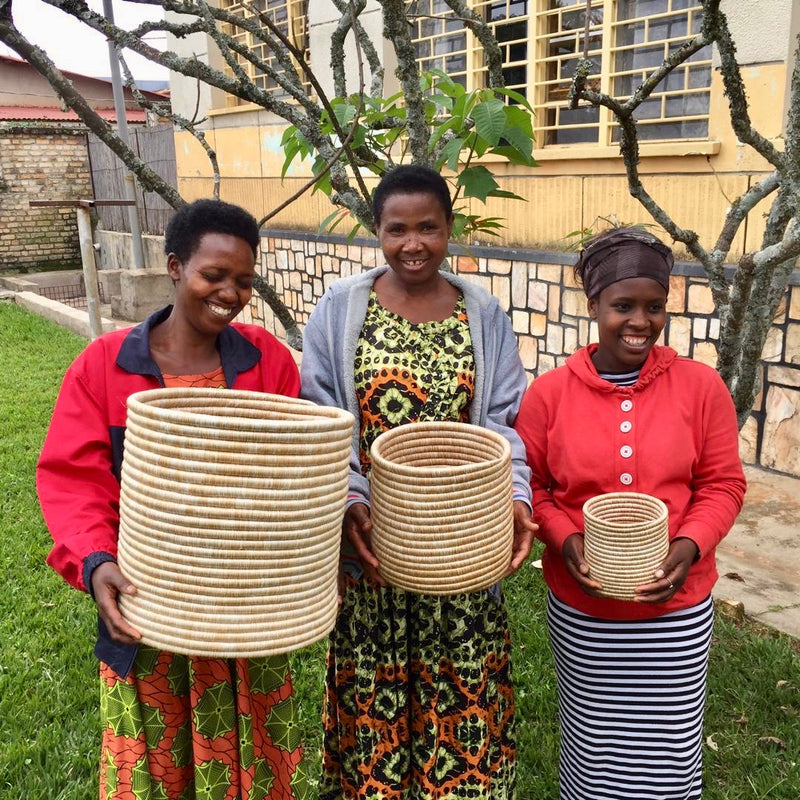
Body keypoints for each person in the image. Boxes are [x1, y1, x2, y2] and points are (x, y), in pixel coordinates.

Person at [37, 199, 309, 800]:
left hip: (245, 614)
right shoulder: (104, 367)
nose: (231, 293)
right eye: (214, 275)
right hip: (148, 611)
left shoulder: (267, 364)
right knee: (157, 769)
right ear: (175, 266)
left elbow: (292, 475)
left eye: (244, 280)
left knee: (249, 764)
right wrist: (95, 561)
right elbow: (74, 481)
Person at [300, 164, 537, 799]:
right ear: (375, 231)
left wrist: (515, 498)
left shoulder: (481, 313)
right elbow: (322, 416)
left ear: (449, 228)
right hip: (375, 544)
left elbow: (504, 422)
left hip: (459, 545)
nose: (414, 243)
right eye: (396, 228)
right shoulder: (340, 309)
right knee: (374, 696)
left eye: (428, 227)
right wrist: (351, 505)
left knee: (463, 688)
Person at [514, 227, 747, 800]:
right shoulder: (549, 395)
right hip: (584, 608)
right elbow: (533, 487)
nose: (640, 321)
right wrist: (566, 541)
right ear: (592, 306)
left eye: (654, 307)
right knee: (594, 749)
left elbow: (722, 484)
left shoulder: (701, 387)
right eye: (623, 306)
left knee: (668, 752)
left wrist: (687, 548)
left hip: (677, 607)